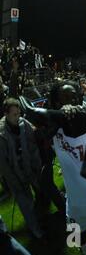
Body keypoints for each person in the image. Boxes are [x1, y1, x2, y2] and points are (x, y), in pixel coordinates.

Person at [23, 81, 86, 255]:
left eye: (74, 98)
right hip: (74, 201)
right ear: (56, 103)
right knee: (76, 240)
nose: (69, 103)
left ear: (80, 99)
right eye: (64, 99)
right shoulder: (54, 128)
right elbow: (31, 117)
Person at [0, 98, 44, 239]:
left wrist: (37, 165)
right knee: (26, 204)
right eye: (14, 114)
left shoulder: (24, 123)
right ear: (6, 114)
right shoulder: (1, 134)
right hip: (16, 174)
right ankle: (36, 230)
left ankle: (42, 219)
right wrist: (14, 181)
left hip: (30, 169)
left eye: (19, 113)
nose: (18, 116)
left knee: (40, 194)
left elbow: (33, 146)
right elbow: (3, 164)